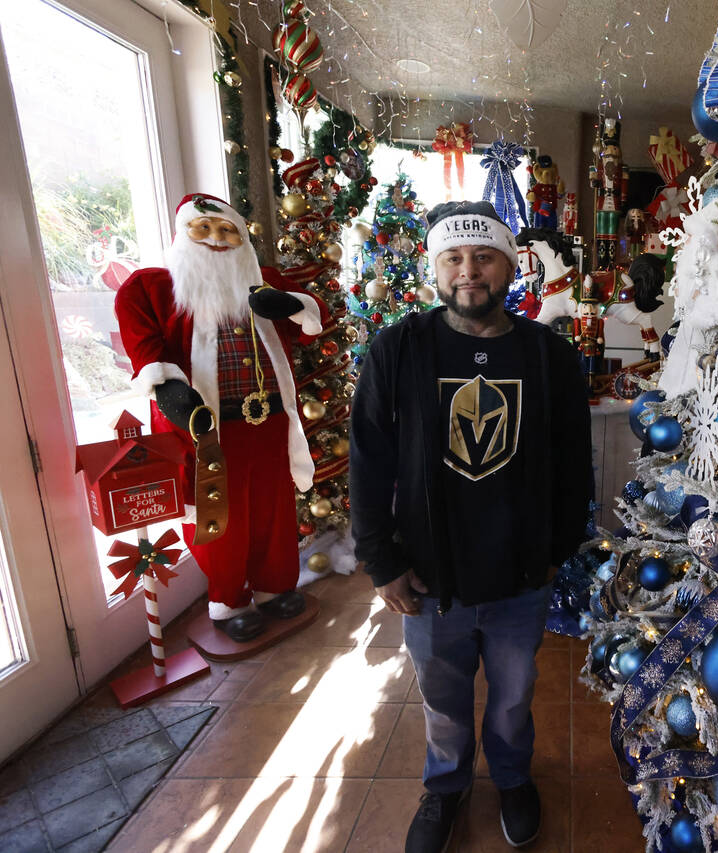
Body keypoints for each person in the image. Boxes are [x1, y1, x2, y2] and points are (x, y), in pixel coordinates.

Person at [349, 200, 594, 852]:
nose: (469, 271)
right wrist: (381, 561)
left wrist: (557, 548)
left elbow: (575, 464)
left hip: (520, 574)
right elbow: (368, 462)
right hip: (430, 577)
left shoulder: (548, 357)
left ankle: (513, 777)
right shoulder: (398, 349)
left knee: (513, 698)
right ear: (435, 267)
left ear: (508, 265)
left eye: (483, 256)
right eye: (453, 258)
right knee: (442, 699)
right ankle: (447, 786)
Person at [116, 193, 327, 641]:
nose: (216, 239)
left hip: (269, 422)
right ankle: (228, 600)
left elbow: (312, 320)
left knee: (274, 509)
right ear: (183, 235)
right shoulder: (153, 287)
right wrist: (172, 393)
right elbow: (146, 352)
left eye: (226, 230)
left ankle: (275, 587)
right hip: (209, 430)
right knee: (220, 519)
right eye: (204, 229)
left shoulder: (261, 280)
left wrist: (288, 305)